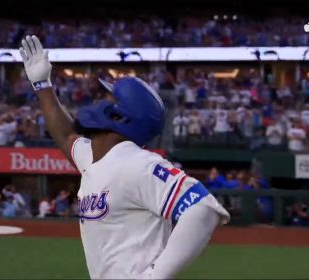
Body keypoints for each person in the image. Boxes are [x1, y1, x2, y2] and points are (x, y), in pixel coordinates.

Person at [20, 35, 230, 279]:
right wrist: (42, 85)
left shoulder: (138, 164)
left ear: (120, 117)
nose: (99, 101)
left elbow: (202, 210)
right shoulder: (96, 157)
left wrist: (155, 276)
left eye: (109, 98)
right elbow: (66, 135)